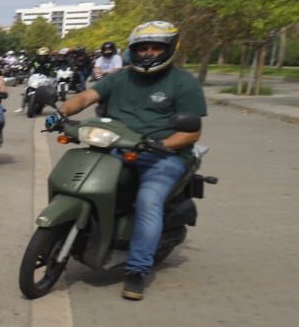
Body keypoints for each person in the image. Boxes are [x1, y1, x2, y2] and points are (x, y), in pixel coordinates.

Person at [48, 21, 206, 301]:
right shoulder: (120, 77)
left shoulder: (183, 83)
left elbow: (192, 131)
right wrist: (62, 113)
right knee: (84, 178)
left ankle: (137, 270)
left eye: (155, 47)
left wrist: (161, 144)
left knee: (148, 199)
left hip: (163, 155)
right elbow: (86, 96)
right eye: (141, 48)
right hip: (119, 145)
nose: (148, 53)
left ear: (169, 49)